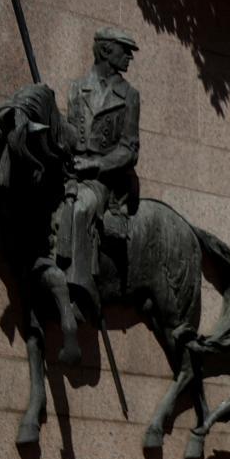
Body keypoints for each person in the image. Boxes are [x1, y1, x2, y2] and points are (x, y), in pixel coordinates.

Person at [47, 26, 141, 363]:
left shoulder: (129, 96)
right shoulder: (76, 89)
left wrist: (96, 166)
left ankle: (79, 294)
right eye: (124, 50)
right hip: (73, 171)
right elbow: (72, 133)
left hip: (104, 182)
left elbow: (129, 150)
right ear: (104, 51)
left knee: (82, 206)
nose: (129, 57)